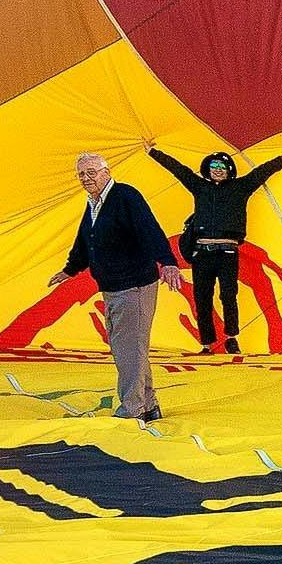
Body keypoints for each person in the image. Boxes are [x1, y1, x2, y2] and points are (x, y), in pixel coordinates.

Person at [66, 150, 189, 421]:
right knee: (133, 348)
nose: (86, 178)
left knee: (128, 351)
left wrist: (167, 261)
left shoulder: (125, 196)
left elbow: (149, 229)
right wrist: (70, 268)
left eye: (91, 172)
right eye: (81, 174)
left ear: (106, 172)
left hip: (134, 285)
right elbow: (87, 239)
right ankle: (149, 406)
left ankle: (131, 411)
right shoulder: (94, 203)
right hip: (113, 286)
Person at [145, 139, 282, 356]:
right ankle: (207, 344)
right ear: (208, 169)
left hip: (228, 252)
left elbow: (263, 172)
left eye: (222, 167)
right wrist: (153, 152)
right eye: (214, 167)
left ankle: (231, 338)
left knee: (228, 295)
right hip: (202, 253)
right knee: (202, 297)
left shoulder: (241, 187)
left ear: (229, 170)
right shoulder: (199, 186)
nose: (217, 171)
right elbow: (178, 170)